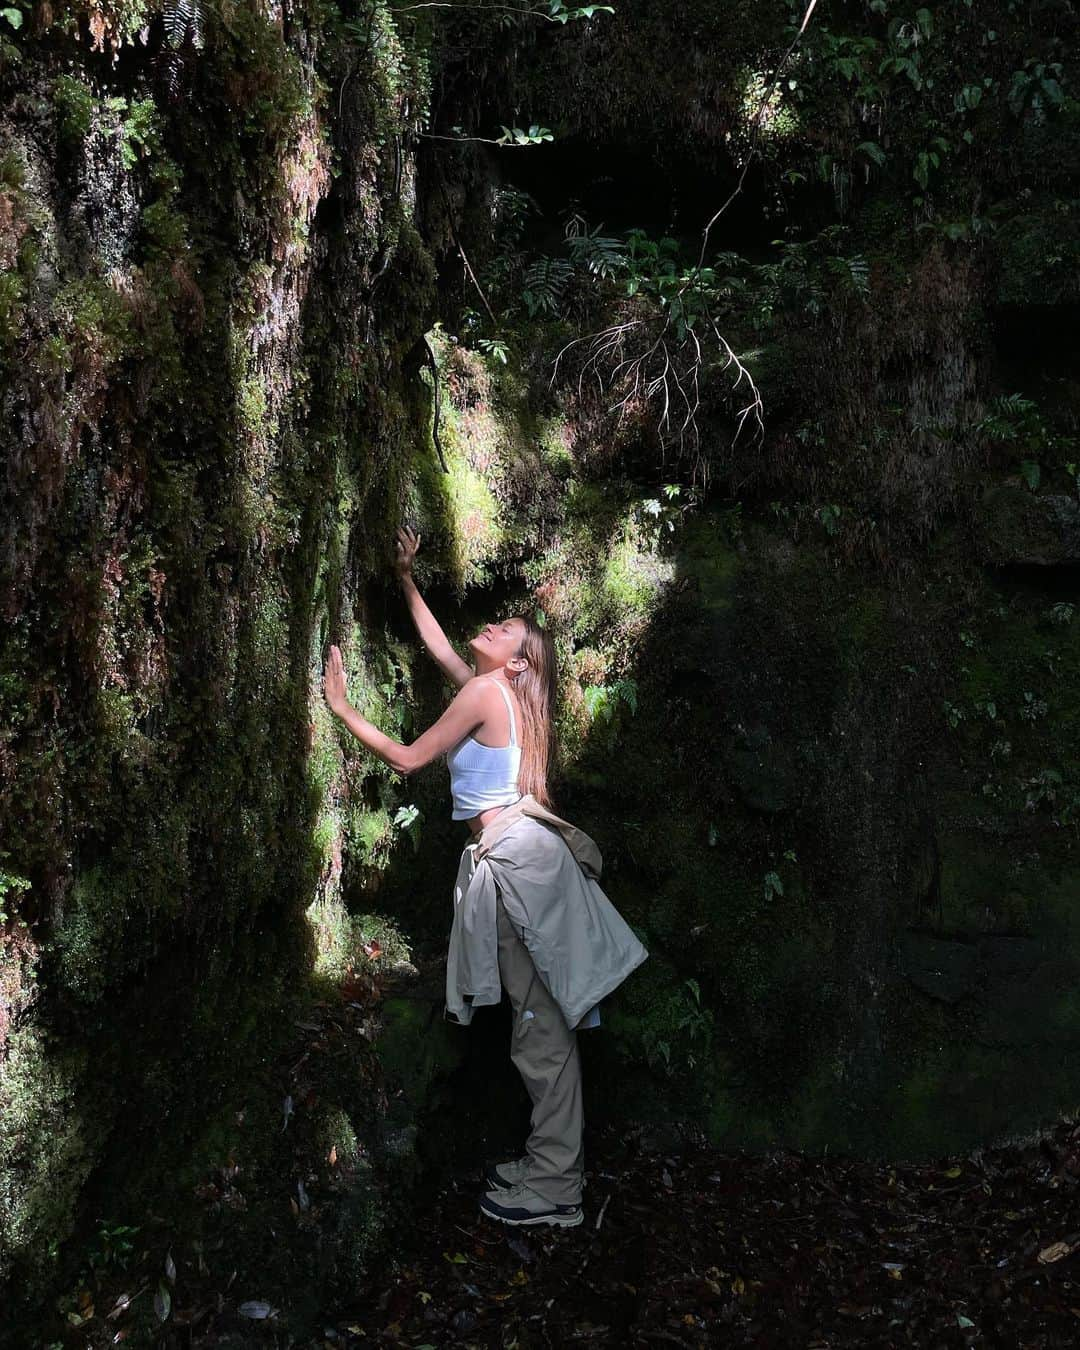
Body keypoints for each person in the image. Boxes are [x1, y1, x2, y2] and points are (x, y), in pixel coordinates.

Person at [322, 525, 648, 1229]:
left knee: (542, 1030)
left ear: (519, 665)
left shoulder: (489, 697)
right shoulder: (496, 695)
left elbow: (409, 759)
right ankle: (547, 1162)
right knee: (542, 1024)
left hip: (519, 867)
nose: (495, 623)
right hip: (521, 860)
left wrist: (342, 707)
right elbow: (442, 649)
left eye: (509, 630)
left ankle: (556, 1188)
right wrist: (406, 578)